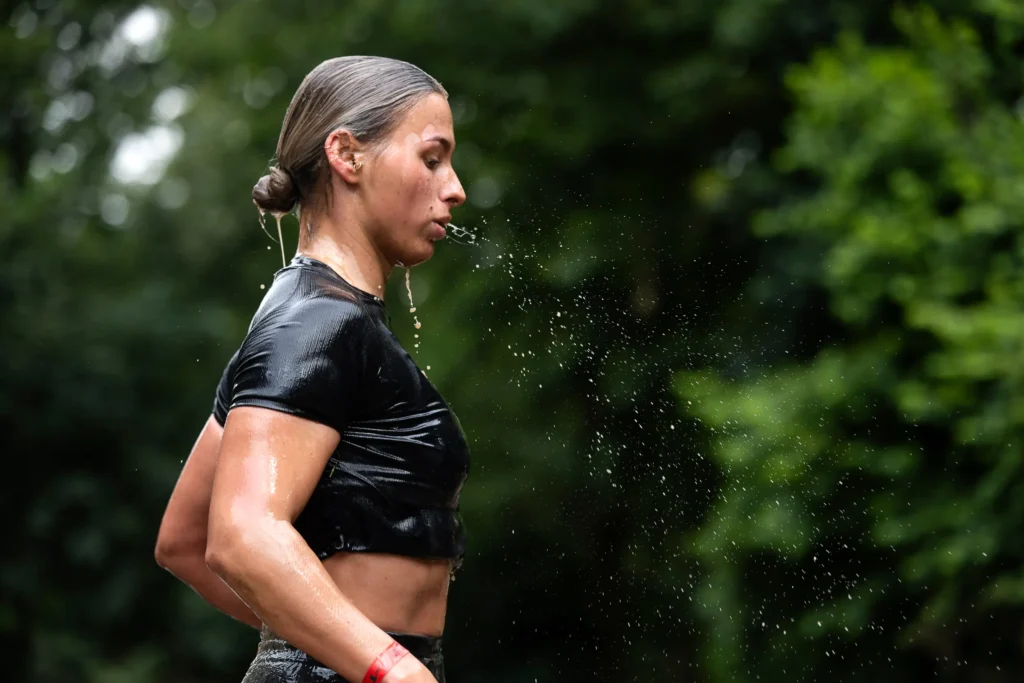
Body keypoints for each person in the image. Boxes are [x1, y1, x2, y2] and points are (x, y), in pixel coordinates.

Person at [154, 55, 470, 683]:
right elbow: (240, 535)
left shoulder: (305, 316)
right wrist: (387, 666)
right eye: (432, 158)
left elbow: (183, 539)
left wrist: (316, 636)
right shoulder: (316, 322)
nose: (455, 187)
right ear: (347, 155)